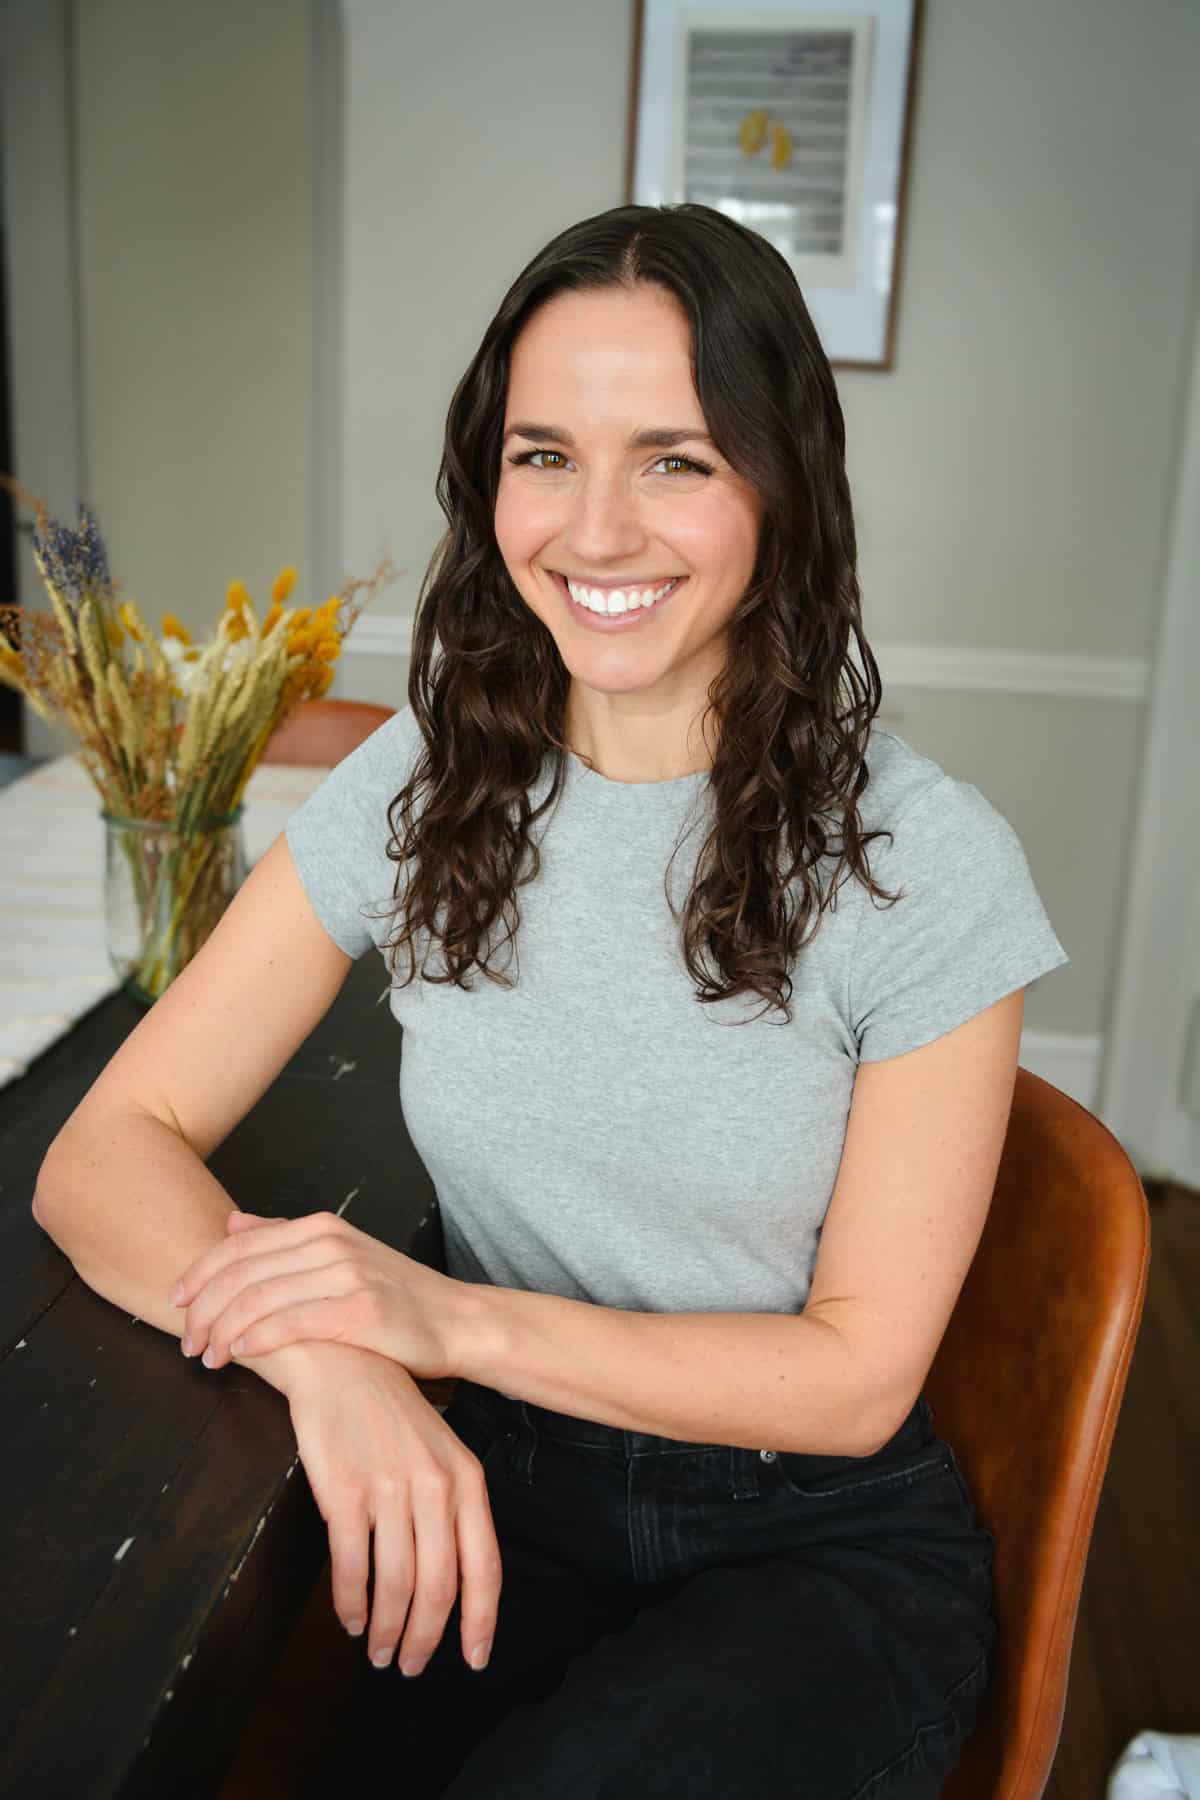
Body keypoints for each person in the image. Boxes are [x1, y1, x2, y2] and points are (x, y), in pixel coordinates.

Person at [33, 203, 1068, 1798]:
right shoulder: (429, 781)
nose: (596, 531)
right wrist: (338, 1361)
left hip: (805, 1549)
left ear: (779, 483)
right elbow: (107, 1150)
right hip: (505, 1494)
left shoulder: (924, 862)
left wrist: (439, 1317)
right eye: (542, 455)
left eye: (675, 458)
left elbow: (855, 1378)